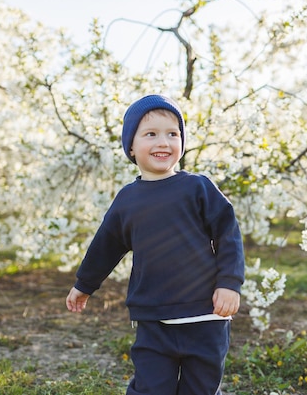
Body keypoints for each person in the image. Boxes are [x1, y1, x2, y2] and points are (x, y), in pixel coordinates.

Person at [66, 94, 245, 395]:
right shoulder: (128, 200)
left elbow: (228, 234)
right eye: (151, 134)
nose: (163, 142)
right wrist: (84, 284)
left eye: (172, 134)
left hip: (205, 315)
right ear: (131, 147)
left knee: (200, 388)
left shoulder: (197, 187)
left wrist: (229, 282)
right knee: (151, 387)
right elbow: (106, 246)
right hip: (153, 318)